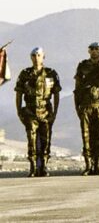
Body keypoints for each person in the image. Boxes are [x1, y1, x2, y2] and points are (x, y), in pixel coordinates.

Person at [14, 47, 61, 177]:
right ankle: (34, 167)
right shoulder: (25, 74)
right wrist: (19, 111)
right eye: (34, 55)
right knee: (32, 139)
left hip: (46, 111)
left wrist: (55, 112)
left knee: (46, 139)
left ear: (43, 57)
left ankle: (44, 166)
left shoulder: (51, 73)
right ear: (31, 58)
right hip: (30, 110)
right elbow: (18, 93)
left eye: (38, 55)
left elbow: (56, 94)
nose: (36, 58)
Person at [73, 42, 99, 175]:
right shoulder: (83, 66)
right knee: (86, 136)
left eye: (97, 49)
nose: (94, 51)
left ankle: (97, 165)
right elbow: (77, 87)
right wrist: (77, 106)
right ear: (88, 51)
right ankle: (88, 165)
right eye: (91, 49)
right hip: (86, 106)